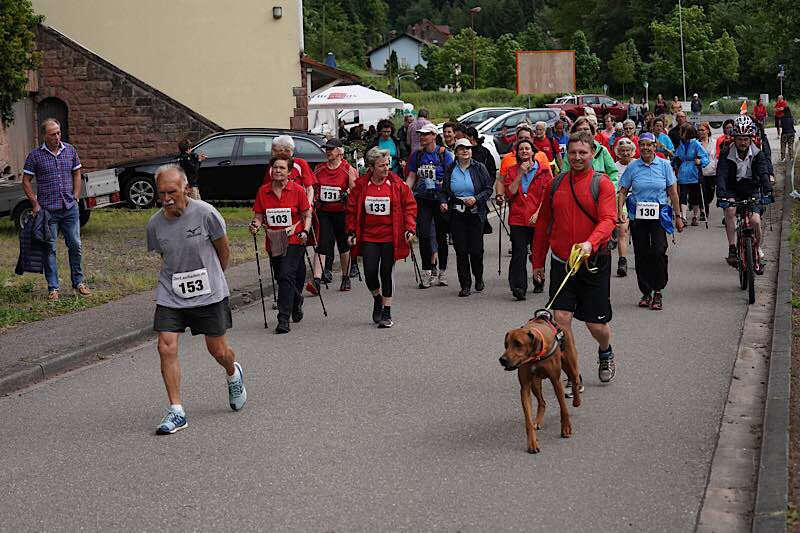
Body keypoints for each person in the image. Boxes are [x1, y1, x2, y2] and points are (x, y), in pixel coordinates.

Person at [146, 164, 246, 434]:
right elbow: (165, 256)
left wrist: (215, 278)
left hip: (209, 292)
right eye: (162, 193)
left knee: (219, 351)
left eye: (172, 192)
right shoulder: (155, 223)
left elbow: (223, 250)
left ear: (186, 189)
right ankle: (176, 411)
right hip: (171, 291)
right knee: (165, 346)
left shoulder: (206, 214)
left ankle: (232, 373)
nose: (166, 198)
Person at [532, 131, 618, 391]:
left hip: (593, 261)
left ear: (593, 154)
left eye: (583, 152)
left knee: (595, 325)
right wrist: (537, 261)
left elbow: (608, 220)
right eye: (573, 153)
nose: (578, 157)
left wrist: (590, 242)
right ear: (566, 155)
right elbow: (544, 224)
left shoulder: (602, 184)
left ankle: (606, 352)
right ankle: (573, 374)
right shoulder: (555, 184)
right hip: (562, 262)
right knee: (561, 318)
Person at [346, 147, 417, 328]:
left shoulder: (396, 184)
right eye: (381, 166)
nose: (386, 169)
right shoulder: (362, 185)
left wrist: (409, 228)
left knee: (386, 272)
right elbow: (352, 210)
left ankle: (387, 311)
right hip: (369, 236)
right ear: (371, 167)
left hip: (390, 237)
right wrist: (351, 231)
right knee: (370, 272)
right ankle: (377, 298)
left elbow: (409, 206)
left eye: (387, 165)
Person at [22, 118, 91, 300]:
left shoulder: (70, 150)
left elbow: (77, 173)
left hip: (69, 208)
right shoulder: (35, 156)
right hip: (47, 211)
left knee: (75, 245)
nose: (57, 137)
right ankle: (53, 288)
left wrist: (76, 196)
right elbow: (26, 181)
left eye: (59, 133)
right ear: (44, 135)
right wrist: (35, 204)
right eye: (53, 134)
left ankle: (78, 282)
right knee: (49, 249)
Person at [617, 133, 684, 311]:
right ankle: (646, 292)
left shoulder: (664, 165)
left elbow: (673, 192)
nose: (646, 148)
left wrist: (678, 216)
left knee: (658, 251)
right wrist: (619, 212)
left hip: (659, 214)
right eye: (642, 145)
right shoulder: (633, 166)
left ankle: (658, 290)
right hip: (638, 216)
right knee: (641, 253)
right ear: (638, 147)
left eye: (649, 145)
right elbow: (623, 191)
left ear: (655, 146)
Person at [250, 155, 312, 334]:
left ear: (289, 172)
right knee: (281, 276)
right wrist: (255, 224)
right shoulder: (263, 191)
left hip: (294, 238)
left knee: (286, 274)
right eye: (275, 167)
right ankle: (296, 300)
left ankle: (283, 319)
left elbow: (306, 215)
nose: (277, 171)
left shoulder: (298, 190)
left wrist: (305, 231)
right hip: (274, 239)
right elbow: (259, 215)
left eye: (281, 168)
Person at [716, 115, 773, 272]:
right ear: (734, 138)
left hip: (751, 188)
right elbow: (721, 174)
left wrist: (767, 189)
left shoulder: (757, 153)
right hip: (732, 188)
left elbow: (763, 172)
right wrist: (721, 193)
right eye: (740, 139)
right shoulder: (726, 153)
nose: (743, 143)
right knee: (730, 210)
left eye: (746, 139)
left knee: (755, 221)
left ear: (751, 138)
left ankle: (757, 249)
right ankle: (732, 247)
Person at [441, 139, 494, 296]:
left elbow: (488, 189)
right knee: (461, 250)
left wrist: (476, 199)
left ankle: (478, 277)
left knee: (476, 250)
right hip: (457, 213)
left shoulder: (479, 168)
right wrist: (443, 202)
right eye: (461, 148)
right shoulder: (451, 169)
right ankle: (465, 284)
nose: (465, 151)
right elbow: (444, 190)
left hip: (475, 212)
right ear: (456, 152)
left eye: (468, 148)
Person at [502, 138, 553, 300]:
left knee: (538, 252)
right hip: (518, 218)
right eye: (521, 149)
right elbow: (510, 193)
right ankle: (518, 287)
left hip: (538, 217)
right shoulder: (512, 170)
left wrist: (538, 213)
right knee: (519, 252)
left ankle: (539, 279)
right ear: (517, 153)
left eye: (527, 148)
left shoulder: (544, 172)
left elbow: (547, 196)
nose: (524, 151)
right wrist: (520, 174)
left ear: (533, 152)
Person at [406, 122, 454, 288]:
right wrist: (405, 192)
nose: (422, 137)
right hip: (423, 198)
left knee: (441, 237)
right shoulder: (417, 155)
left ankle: (442, 271)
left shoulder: (444, 154)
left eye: (425, 134)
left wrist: (445, 197)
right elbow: (412, 176)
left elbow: (450, 177)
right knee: (424, 235)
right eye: (420, 134)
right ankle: (427, 271)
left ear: (434, 136)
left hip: (440, 199)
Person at [309, 139, 357, 293]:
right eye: (326, 149)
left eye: (331, 149)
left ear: (339, 151)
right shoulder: (319, 168)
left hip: (341, 212)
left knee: (343, 245)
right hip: (324, 212)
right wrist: (314, 198)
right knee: (322, 244)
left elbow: (355, 190)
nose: (328, 151)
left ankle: (345, 277)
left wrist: (346, 194)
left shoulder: (347, 169)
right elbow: (312, 186)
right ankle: (316, 279)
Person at [561, 117, 619, 187]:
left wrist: (611, 191)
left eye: (586, 129)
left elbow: (613, 173)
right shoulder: (570, 153)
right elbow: (564, 176)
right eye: (579, 129)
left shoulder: (602, 150)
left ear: (592, 131)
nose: (583, 132)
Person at [672, 123, 709, 226]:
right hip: (683, 173)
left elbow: (705, 157)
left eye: (681, 131)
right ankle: (683, 216)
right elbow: (677, 155)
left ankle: (695, 216)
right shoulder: (681, 144)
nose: (680, 133)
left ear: (687, 133)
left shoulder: (696, 144)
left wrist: (700, 162)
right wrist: (674, 161)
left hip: (694, 173)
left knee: (695, 196)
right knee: (683, 195)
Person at [265, 135, 315, 205]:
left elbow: (309, 189)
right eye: (272, 150)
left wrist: (308, 206)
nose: (272, 153)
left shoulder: (300, 163)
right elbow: (267, 189)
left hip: (299, 205)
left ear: (287, 151)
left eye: (276, 150)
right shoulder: (273, 166)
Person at [613, 137, 637, 276]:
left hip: (638, 199)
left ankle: (641, 258)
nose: (625, 153)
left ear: (632, 151)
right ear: (618, 152)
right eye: (622, 151)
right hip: (621, 199)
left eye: (628, 150)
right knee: (622, 229)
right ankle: (622, 261)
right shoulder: (614, 167)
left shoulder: (637, 165)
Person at [696, 122, 718, 220]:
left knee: (710, 194)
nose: (701, 132)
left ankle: (705, 205)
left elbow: (716, 156)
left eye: (703, 130)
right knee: (702, 193)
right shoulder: (696, 143)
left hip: (712, 171)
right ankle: (703, 211)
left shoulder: (714, 142)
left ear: (708, 131)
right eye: (699, 130)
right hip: (700, 172)